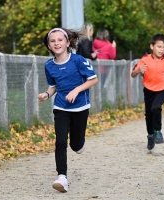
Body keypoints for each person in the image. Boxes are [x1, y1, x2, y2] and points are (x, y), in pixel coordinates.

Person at [38, 28, 98, 193]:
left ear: (67, 42)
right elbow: (53, 86)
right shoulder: (49, 65)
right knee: (60, 141)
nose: (56, 43)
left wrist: (76, 90)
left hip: (80, 106)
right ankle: (62, 177)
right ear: (49, 45)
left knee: (76, 145)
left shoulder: (78, 60)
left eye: (60, 40)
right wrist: (46, 94)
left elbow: (93, 79)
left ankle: (79, 143)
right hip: (61, 107)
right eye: (53, 41)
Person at [131, 33, 164, 151]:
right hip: (148, 90)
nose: (162, 50)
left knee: (156, 107)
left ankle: (158, 131)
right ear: (152, 46)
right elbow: (133, 75)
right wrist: (138, 70)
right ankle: (150, 135)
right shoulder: (144, 60)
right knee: (148, 114)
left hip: (163, 89)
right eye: (159, 47)